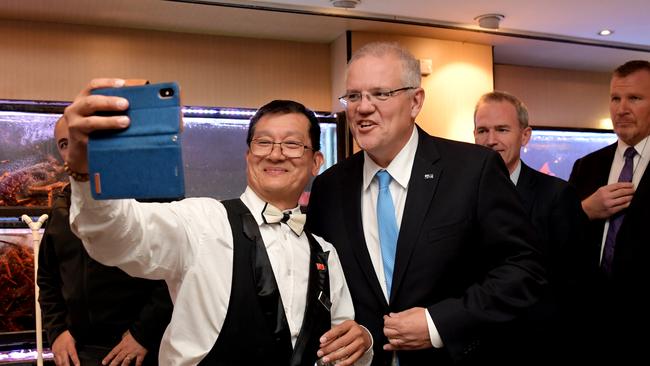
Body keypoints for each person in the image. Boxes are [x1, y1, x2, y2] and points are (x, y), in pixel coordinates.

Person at [61, 88, 373, 365]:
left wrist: (363, 342)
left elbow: (343, 347)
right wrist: (85, 170)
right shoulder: (202, 222)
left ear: (316, 161)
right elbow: (116, 237)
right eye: (263, 143)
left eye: (292, 144)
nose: (276, 154)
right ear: (248, 155)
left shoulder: (325, 254)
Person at [306, 41, 546, 365]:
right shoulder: (329, 187)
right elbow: (324, 287)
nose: (363, 107)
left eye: (380, 94)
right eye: (354, 96)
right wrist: (363, 333)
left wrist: (438, 323)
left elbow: (523, 269)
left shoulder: (472, 170)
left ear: (415, 101)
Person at [38, 117, 174, 366]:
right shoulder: (62, 206)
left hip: (137, 349)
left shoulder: (152, 196)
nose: (74, 151)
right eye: (65, 143)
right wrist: (56, 331)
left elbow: (174, 270)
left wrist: (143, 334)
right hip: (79, 351)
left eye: (82, 141)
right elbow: (48, 276)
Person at [473, 91, 590, 363]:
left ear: (525, 136)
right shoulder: (457, 195)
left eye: (502, 129)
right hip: (473, 344)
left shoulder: (557, 195)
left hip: (536, 345)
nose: (491, 140)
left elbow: (575, 285)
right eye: (483, 130)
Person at [568, 60, 650, 362]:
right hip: (590, 324)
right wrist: (584, 211)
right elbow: (563, 237)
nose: (621, 108)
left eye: (635, 99)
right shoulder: (587, 166)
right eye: (615, 98)